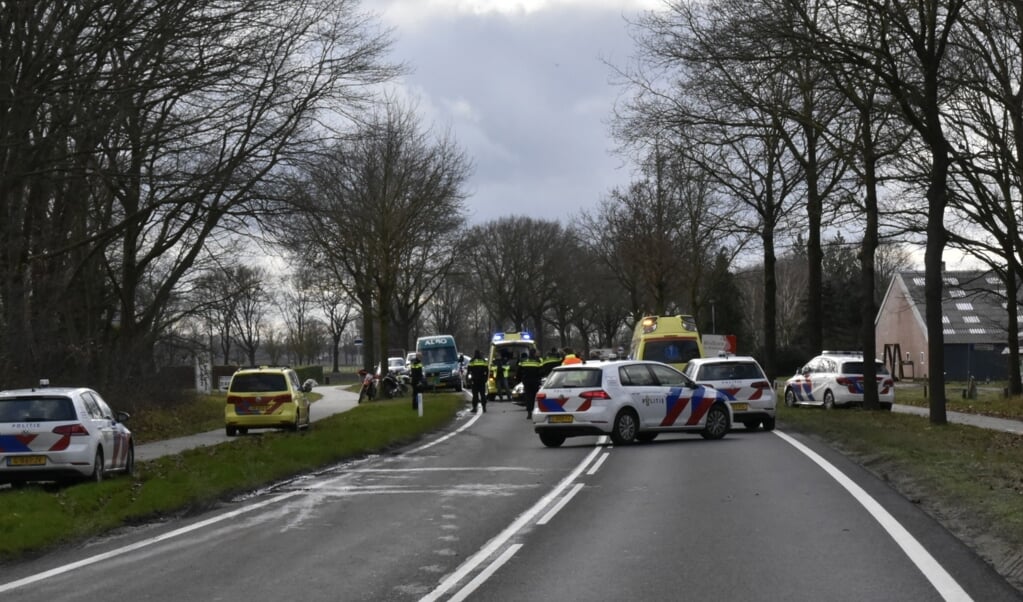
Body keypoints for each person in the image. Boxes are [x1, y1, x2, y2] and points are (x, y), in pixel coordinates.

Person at [518, 349, 542, 419]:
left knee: (528, 397)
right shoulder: (538, 361)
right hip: (535, 381)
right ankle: (536, 411)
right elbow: (541, 372)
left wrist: (520, 380)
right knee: (535, 397)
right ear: (534, 353)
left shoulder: (523, 361)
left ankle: (529, 412)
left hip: (526, 381)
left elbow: (519, 371)